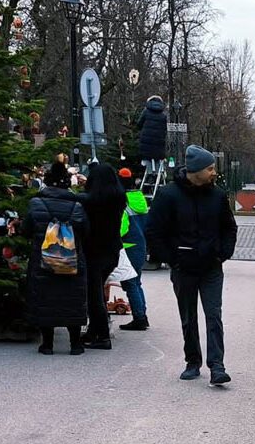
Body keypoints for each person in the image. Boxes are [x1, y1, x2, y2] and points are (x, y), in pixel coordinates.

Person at [145, 145, 237, 385]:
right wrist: (171, 258)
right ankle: (192, 361)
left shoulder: (217, 195)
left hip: (211, 267)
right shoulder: (168, 195)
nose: (213, 172)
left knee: (213, 315)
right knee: (188, 317)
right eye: (210, 168)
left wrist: (222, 254)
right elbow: (154, 231)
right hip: (183, 267)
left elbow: (229, 227)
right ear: (196, 171)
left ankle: (217, 366)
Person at [23, 161, 89, 356]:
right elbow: (86, 231)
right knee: (72, 298)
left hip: (43, 260)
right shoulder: (78, 205)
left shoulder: (35, 203)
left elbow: (26, 230)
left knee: (45, 298)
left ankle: (47, 344)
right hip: (71, 260)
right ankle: (75, 344)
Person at [77, 164, 127, 349]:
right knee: (96, 292)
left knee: (94, 296)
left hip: (94, 252)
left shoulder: (91, 201)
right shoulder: (117, 199)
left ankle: (102, 336)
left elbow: (77, 199)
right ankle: (94, 331)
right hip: (112, 251)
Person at [117, 167, 151, 331]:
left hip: (128, 246)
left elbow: (122, 229)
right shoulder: (139, 199)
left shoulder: (122, 202)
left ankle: (139, 318)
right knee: (137, 282)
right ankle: (142, 315)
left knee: (130, 283)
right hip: (140, 246)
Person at [137, 95, 169, 176]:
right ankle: (158, 175)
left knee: (147, 157)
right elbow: (165, 129)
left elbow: (139, 124)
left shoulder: (146, 112)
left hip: (146, 142)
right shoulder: (163, 115)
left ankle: (150, 173)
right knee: (158, 158)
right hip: (159, 142)